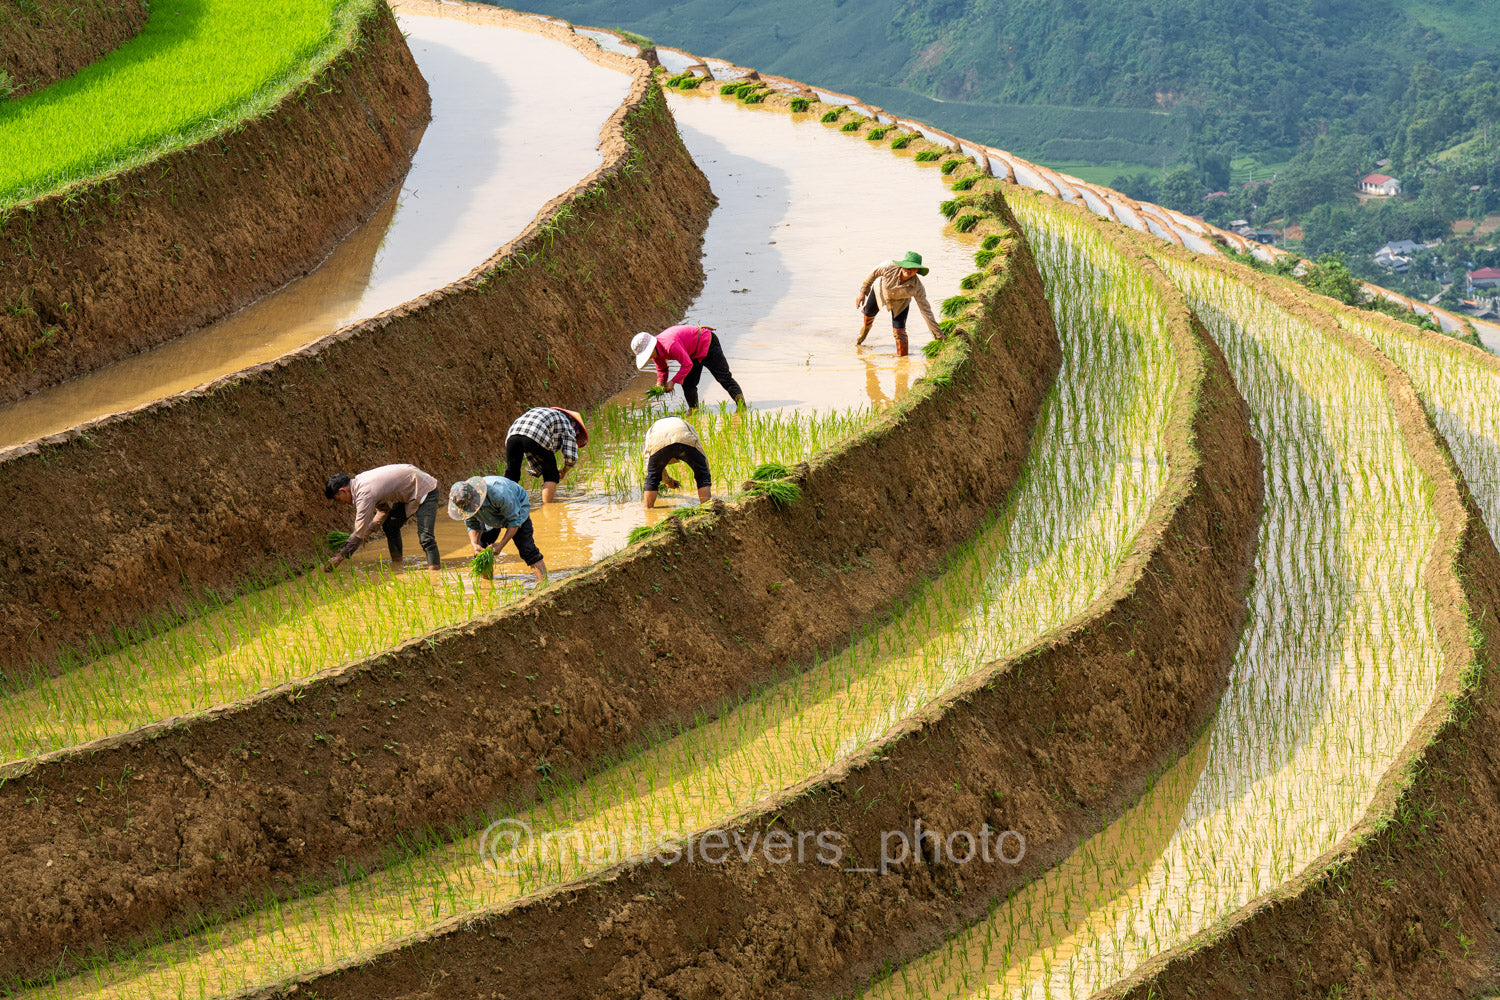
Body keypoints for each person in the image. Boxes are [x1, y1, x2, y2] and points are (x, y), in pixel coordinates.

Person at [324, 464, 441, 575]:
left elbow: (358, 534)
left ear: (343, 491)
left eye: (338, 499)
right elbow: (384, 510)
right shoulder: (360, 482)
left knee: (426, 537)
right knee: (390, 526)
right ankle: (398, 564)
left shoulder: (364, 493)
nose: (342, 503)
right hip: (409, 490)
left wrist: (339, 558)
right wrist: (368, 531)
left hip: (426, 490)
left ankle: (434, 573)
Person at [448, 476, 548, 585]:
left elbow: (514, 521)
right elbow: (472, 525)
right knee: (482, 552)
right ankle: (488, 586)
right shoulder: (465, 503)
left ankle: (545, 585)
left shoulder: (499, 492)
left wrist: (501, 545)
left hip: (516, 508)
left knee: (527, 549)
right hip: (488, 515)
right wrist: (475, 545)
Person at [632, 324, 745, 410]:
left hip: (707, 343)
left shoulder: (670, 345)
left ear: (651, 348)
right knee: (688, 384)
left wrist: (672, 382)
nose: (648, 358)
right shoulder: (656, 354)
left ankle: (742, 408)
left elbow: (687, 364)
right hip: (691, 353)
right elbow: (662, 369)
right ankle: (694, 410)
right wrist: (659, 385)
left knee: (724, 378)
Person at [855, 250, 943, 356]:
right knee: (868, 316)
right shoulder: (888, 267)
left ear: (917, 271)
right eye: (907, 267)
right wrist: (863, 291)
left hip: (901, 303)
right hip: (881, 292)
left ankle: (903, 359)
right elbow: (873, 273)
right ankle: (861, 338)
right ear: (902, 265)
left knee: (899, 332)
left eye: (913, 268)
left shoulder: (917, 287)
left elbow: (926, 311)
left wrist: (938, 333)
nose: (909, 270)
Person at [504, 407, 588, 504]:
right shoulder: (567, 423)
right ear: (575, 425)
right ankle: (547, 509)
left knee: (512, 474)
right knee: (551, 474)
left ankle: (504, 504)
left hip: (512, 435)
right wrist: (564, 471)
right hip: (535, 435)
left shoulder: (546, 413)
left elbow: (533, 447)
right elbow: (571, 456)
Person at [642, 416, 711, 509]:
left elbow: (652, 465)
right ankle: (707, 509)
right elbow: (699, 450)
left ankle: (648, 511)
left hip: (659, 443)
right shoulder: (684, 423)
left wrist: (667, 481)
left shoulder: (652, 429)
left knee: (652, 478)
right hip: (684, 438)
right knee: (702, 475)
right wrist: (705, 472)